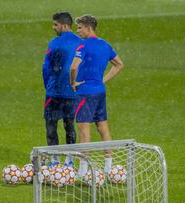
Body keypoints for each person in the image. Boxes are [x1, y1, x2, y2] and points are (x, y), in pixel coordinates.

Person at [70, 15, 124, 176]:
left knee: (84, 130)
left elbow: (73, 67)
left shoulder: (83, 45)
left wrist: (73, 83)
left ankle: (83, 170)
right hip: (100, 91)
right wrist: (103, 80)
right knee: (103, 128)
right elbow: (119, 64)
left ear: (88, 28)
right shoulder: (105, 45)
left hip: (85, 92)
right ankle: (108, 168)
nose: (78, 31)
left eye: (79, 28)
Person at [42, 12, 82, 167]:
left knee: (51, 125)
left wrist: (48, 86)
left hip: (55, 91)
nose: (54, 28)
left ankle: (54, 161)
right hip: (72, 92)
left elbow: (46, 66)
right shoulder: (80, 42)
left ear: (64, 25)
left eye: (55, 24)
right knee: (69, 125)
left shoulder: (55, 43)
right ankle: (69, 161)